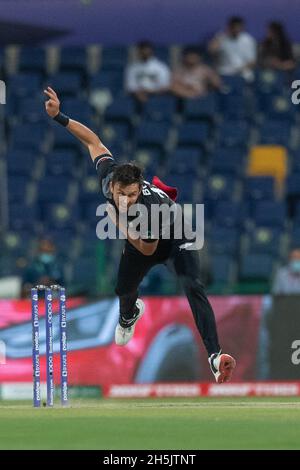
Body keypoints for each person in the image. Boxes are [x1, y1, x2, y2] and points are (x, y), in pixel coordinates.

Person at [43, 86, 236, 383]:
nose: (126, 200)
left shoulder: (150, 206)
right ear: (113, 187)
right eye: (122, 194)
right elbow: (93, 141)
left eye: (132, 195)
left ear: (139, 188)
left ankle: (214, 355)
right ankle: (129, 314)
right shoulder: (109, 177)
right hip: (141, 237)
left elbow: (148, 250)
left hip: (174, 235)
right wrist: (60, 117)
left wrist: (118, 222)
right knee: (123, 289)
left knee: (193, 286)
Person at [208, 16, 256, 81]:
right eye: (234, 27)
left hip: (242, 74)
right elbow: (211, 51)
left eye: (239, 27)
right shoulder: (221, 38)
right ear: (229, 27)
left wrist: (238, 70)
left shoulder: (248, 40)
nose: (236, 29)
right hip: (223, 73)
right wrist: (220, 37)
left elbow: (252, 61)